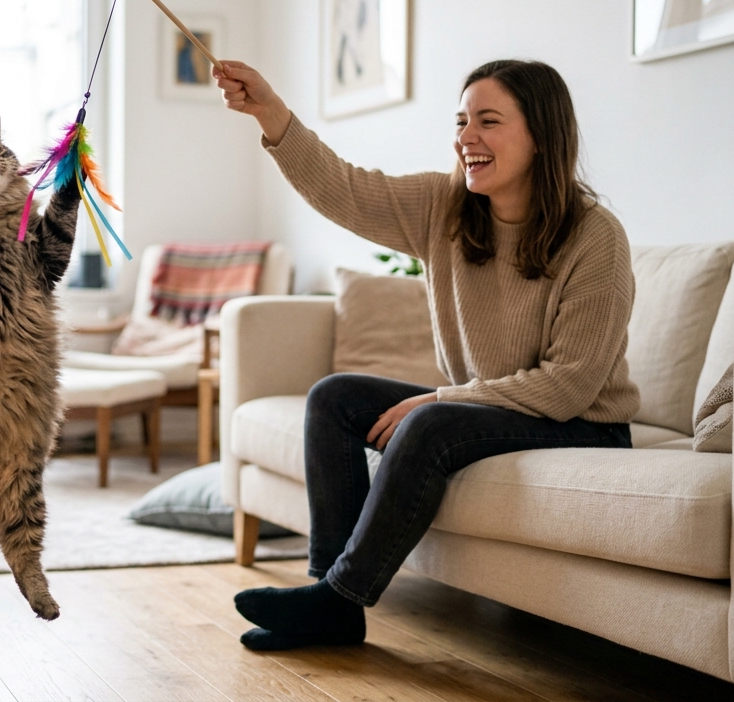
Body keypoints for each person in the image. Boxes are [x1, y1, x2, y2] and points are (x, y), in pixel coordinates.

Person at [212, 59, 640, 651]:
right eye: (461, 121)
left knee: (431, 421)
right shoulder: (445, 205)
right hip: (490, 410)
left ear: (542, 135)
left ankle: (340, 598)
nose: (466, 137)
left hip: (583, 425)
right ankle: (328, 599)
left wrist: (441, 398)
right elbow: (344, 189)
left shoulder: (595, 237)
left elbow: (567, 387)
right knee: (335, 399)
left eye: (488, 121)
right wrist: (271, 112)